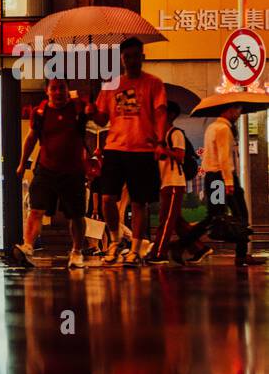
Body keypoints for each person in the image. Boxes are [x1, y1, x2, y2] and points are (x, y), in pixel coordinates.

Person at [87, 37, 167, 266]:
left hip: (143, 148)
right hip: (115, 148)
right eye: (127, 56)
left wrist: (160, 141)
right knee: (107, 199)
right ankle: (115, 240)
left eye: (135, 56)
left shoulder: (154, 83)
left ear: (142, 57)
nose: (131, 60)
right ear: (121, 59)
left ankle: (135, 248)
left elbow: (160, 113)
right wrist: (92, 111)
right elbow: (102, 119)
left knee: (139, 202)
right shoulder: (112, 85)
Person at [12, 76, 91, 269]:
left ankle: (77, 251)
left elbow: (99, 119)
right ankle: (28, 247)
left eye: (61, 88)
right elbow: (31, 139)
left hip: (73, 171)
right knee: (36, 209)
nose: (58, 92)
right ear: (47, 91)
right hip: (46, 169)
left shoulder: (77, 109)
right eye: (53, 88)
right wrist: (22, 164)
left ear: (67, 90)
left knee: (76, 215)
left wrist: (90, 108)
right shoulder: (40, 113)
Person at [175, 102, 256, 266]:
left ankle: (181, 245)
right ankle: (241, 255)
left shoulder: (214, 127)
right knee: (239, 215)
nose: (239, 114)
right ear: (229, 110)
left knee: (215, 216)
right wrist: (229, 182)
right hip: (222, 179)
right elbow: (224, 157)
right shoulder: (223, 129)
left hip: (216, 179)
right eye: (237, 110)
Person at [153, 101, 208, 264]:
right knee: (176, 221)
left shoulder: (175, 133)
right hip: (166, 182)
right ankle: (199, 248)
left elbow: (180, 156)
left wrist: (164, 151)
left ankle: (159, 253)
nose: (157, 117)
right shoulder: (161, 136)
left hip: (174, 182)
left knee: (166, 220)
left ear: (169, 115)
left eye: (160, 113)